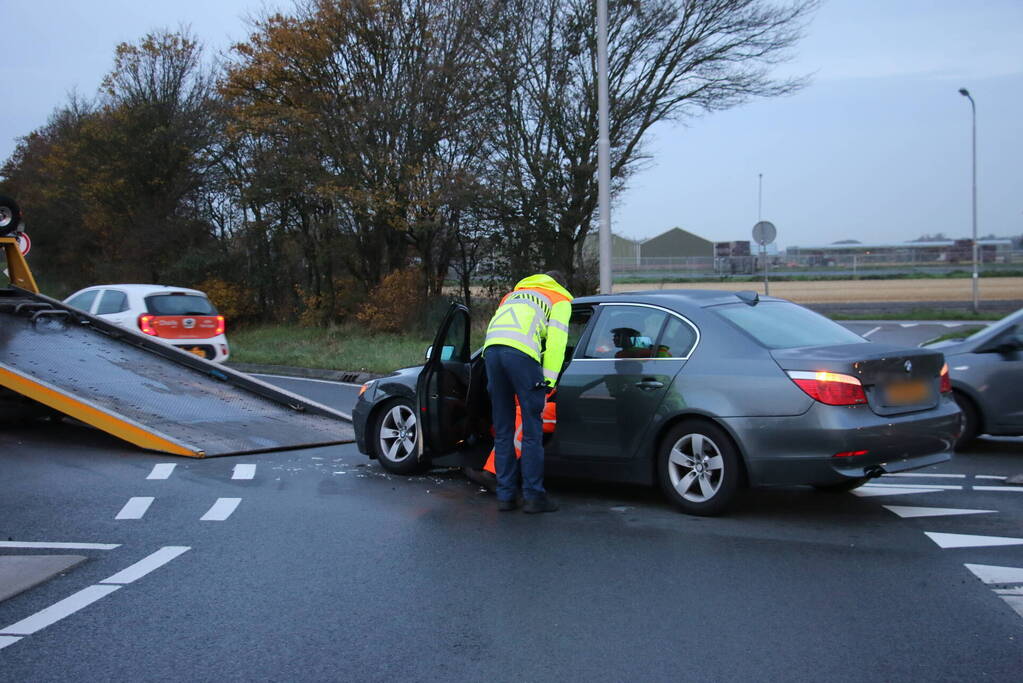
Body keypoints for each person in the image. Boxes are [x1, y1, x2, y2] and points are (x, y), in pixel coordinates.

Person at [482, 270, 572, 513]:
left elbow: (499, 331)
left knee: (503, 430)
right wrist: (549, 383)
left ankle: (506, 496)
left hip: (491, 352)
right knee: (532, 431)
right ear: (561, 284)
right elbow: (556, 344)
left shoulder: (512, 296)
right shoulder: (559, 300)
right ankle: (534, 497)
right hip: (521, 355)